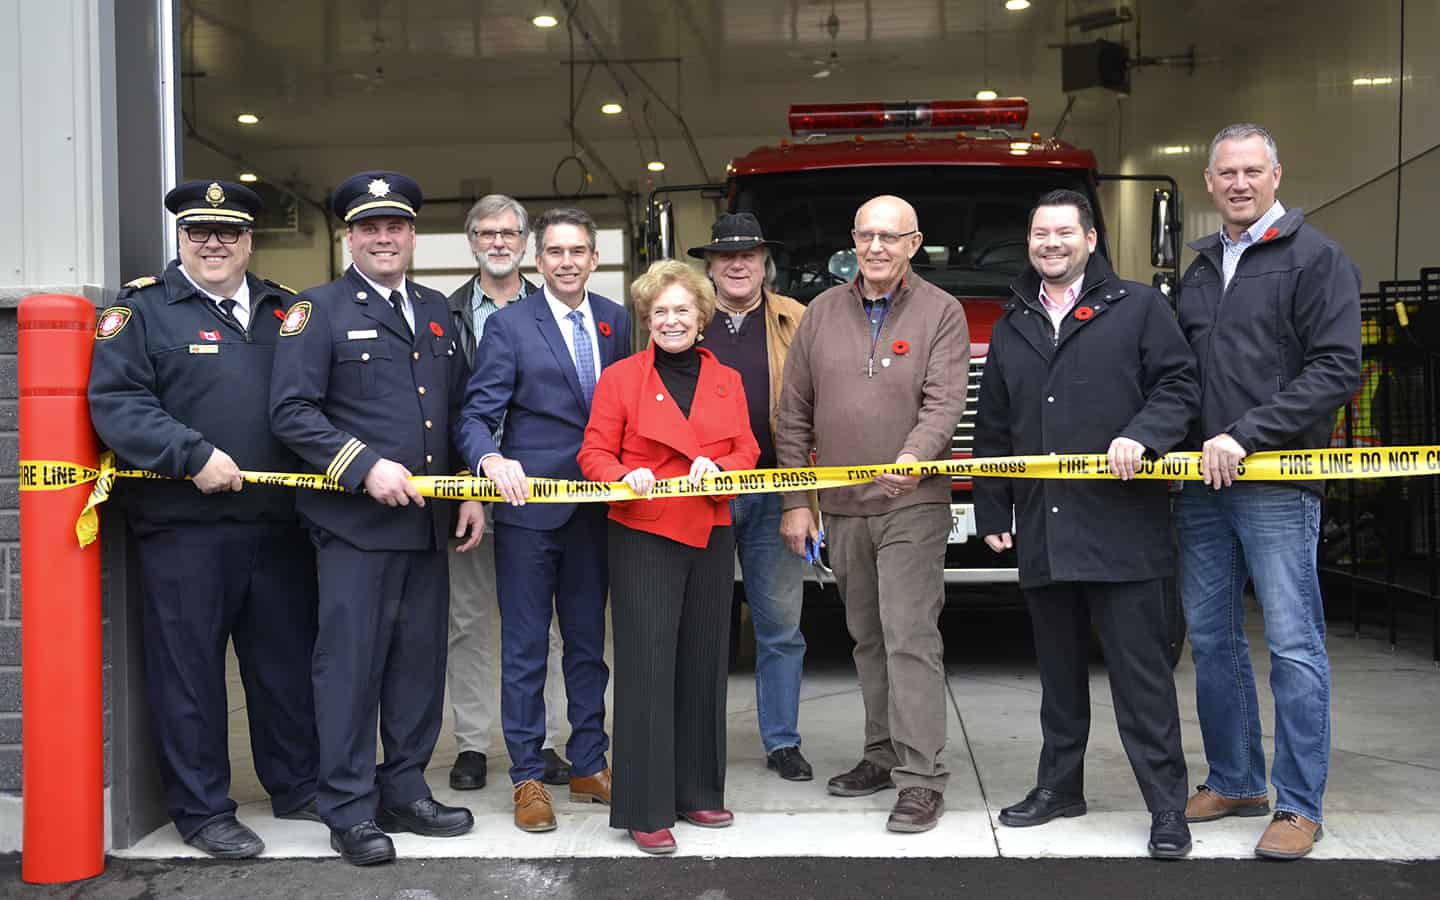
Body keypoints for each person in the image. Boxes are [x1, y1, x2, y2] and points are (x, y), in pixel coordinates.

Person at [88, 180, 319, 859]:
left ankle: (297, 785)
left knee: (282, 668)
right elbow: (119, 405)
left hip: (277, 526)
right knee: (189, 675)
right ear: (181, 240)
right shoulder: (142, 314)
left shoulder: (285, 312)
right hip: (184, 528)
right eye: (198, 233)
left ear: (249, 240)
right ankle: (202, 809)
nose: (212, 244)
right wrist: (192, 455)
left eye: (228, 233)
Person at [973, 189, 1200, 859]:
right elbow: (994, 428)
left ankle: (1167, 808)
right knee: (1059, 677)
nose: (1051, 243)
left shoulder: (1140, 308)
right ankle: (1060, 787)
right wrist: (992, 507)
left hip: (1124, 530)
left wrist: (1145, 436)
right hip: (1045, 526)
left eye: (1064, 232)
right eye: (1040, 232)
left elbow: (1180, 387)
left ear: (1092, 240)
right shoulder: (1015, 323)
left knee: (1142, 682)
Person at [270, 170, 484, 866]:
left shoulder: (434, 311)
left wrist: (470, 492)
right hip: (353, 529)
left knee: (418, 667)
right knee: (351, 669)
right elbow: (292, 412)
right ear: (348, 235)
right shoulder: (316, 310)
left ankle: (405, 789)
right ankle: (348, 806)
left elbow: (451, 413)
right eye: (369, 227)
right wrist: (364, 465)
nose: (383, 237)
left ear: (413, 235)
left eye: (395, 226)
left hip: (427, 526)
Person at [1175, 124, 1361, 860]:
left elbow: (1336, 369)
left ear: (1277, 175)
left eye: (1253, 171)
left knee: (1292, 645)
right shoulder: (1196, 271)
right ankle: (1235, 779)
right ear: (1210, 182)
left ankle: (1298, 805)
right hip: (1200, 485)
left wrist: (1247, 435)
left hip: (1277, 481)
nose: (1240, 183)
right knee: (1213, 639)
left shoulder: (1316, 259)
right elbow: (1180, 377)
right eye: (1227, 173)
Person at [775, 195, 969, 833]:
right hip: (841, 505)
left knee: (910, 632)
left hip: (912, 501)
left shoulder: (943, 311)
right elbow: (793, 413)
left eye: (891, 237)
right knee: (867, 637)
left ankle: (920, 777)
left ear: (915, 243)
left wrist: (914, 455)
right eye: (866, 236)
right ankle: (881, 754)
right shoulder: (822, 314)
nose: (877, 248)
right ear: (852, 243)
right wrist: (798, 501)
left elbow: (944, 403)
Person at [456, 207, 632, 833]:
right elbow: (476, 414)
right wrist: (488, 458)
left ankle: (589, 763)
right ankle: (528, 777)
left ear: (593, 258)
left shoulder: (617, 321)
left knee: (589, 647)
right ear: (540, 259)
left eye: (577, 251)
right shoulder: (509, 326)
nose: (565, 261)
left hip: (597, 512)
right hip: (529, 516)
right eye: (554, 251)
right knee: (526, 650)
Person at [578, 259, 760, 854]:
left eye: (683, 310)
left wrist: (720, 468)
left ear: (702, 317)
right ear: (645, 320)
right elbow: (593, 454)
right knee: (648, 665)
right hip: (644, 531)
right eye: (660, 312)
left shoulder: (726, 379)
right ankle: (646, 806)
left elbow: (747, 450)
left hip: (709, 527)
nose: (672, 320)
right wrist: (623, 473)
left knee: (706, 660)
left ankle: (698, 790)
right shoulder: (622, 378)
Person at [444, 194, 571, 792]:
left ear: (526, 243)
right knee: (467, 620)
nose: (498, 242)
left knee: (538, 623)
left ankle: (542, 742)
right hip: (468, 491)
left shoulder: (554, 311)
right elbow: (444, 411)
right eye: (486, 233)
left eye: (509, 233)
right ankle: (472, 743)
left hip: (537, 495)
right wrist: (471, 487)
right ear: (470, 241)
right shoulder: (441, 315)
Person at [689, 213, 813, 782]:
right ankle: (699, 739)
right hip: (700, 495)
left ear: (766, 263)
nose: (737, 264)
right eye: (725, 256)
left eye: (749, 255)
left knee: (781, 627)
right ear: (710, 266)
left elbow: (815, 416)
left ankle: (782, 742)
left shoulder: (798, 320)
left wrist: (801, 501)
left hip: (774, 490)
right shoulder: (681, 319)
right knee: (703, 626)